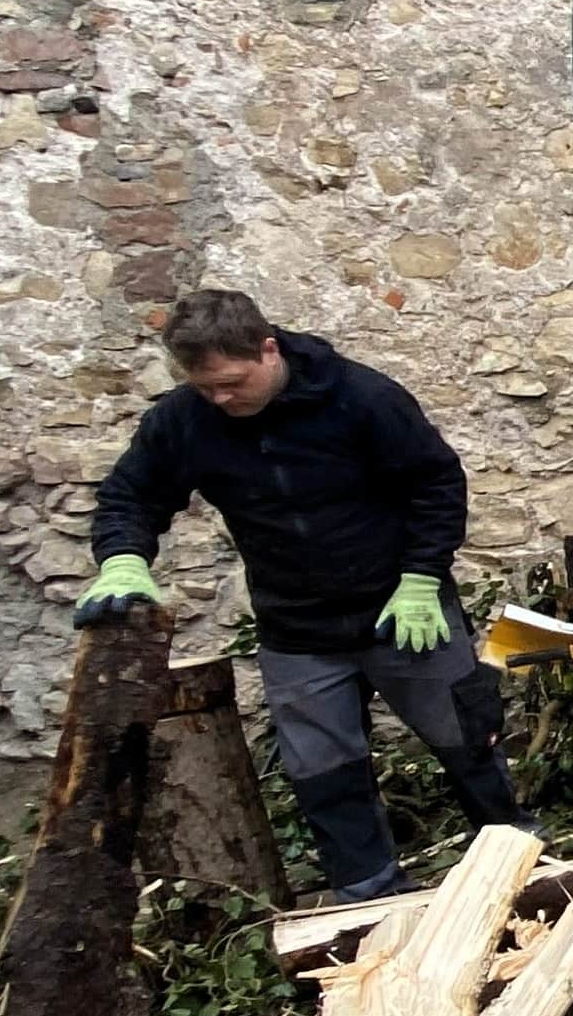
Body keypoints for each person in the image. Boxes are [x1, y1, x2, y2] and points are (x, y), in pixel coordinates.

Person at [75, 288, 527, 902]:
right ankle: (368, 894)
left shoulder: (361, 398)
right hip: (297, 628)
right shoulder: (182, 421)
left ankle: (515, 857)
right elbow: (131, 495)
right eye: (205, 388)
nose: (220, 399)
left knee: (466, 737)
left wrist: (422, 576)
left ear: (268, 349)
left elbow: (436, 484)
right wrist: (123, 559)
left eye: (232, 383)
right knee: (323, 770)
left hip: (402, 609)